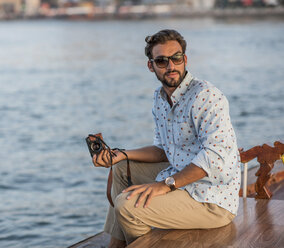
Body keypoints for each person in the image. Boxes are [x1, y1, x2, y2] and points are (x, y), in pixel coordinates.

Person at [92, 29, 241, 248]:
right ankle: (117, 244)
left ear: (185, 59)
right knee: (121, 169)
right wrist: (121, 154)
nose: (171, 66)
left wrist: (166, 184)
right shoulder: (160, 98)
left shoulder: (206, 95)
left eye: (176, 58)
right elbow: (163, 150)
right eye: (161, 61)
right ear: (151, 66)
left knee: (127, 206)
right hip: (180, 175)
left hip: (212, 198)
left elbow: (214, 157)